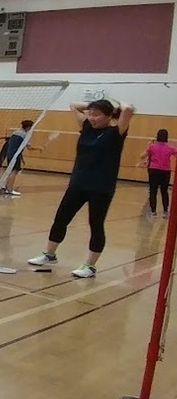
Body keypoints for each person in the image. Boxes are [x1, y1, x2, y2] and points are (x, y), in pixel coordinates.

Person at [29, 98, 134, 278]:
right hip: (78, 183)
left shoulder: (116, 133)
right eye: (90, 114)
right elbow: (73, 105)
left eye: (97, 115)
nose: (92, 118)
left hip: (101, 187)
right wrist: (92, 106)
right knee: (61, 218)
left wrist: (115, 105)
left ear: (109, 116)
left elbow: (128, 109)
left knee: (96, 224)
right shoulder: (86, 127)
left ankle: (90, 266)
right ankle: (50, 254)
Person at [0, 120, 40, 197]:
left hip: (9, 154)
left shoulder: (15, 132)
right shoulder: (25, 135)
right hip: (15, 155)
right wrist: (39, 148)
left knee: (11, 171)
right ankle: (10, 189)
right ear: (29, 127)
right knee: (14, 171)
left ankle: (5, 186)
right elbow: (30, 148)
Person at [140, 129, 177, 220]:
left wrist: (148, 146)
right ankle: (165, 212)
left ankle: (153, 212)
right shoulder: (170, 147)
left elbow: (142, 156)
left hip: (153, 171)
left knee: (153, 191)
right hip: (165, 171)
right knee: (164, 191)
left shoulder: (152, 146)